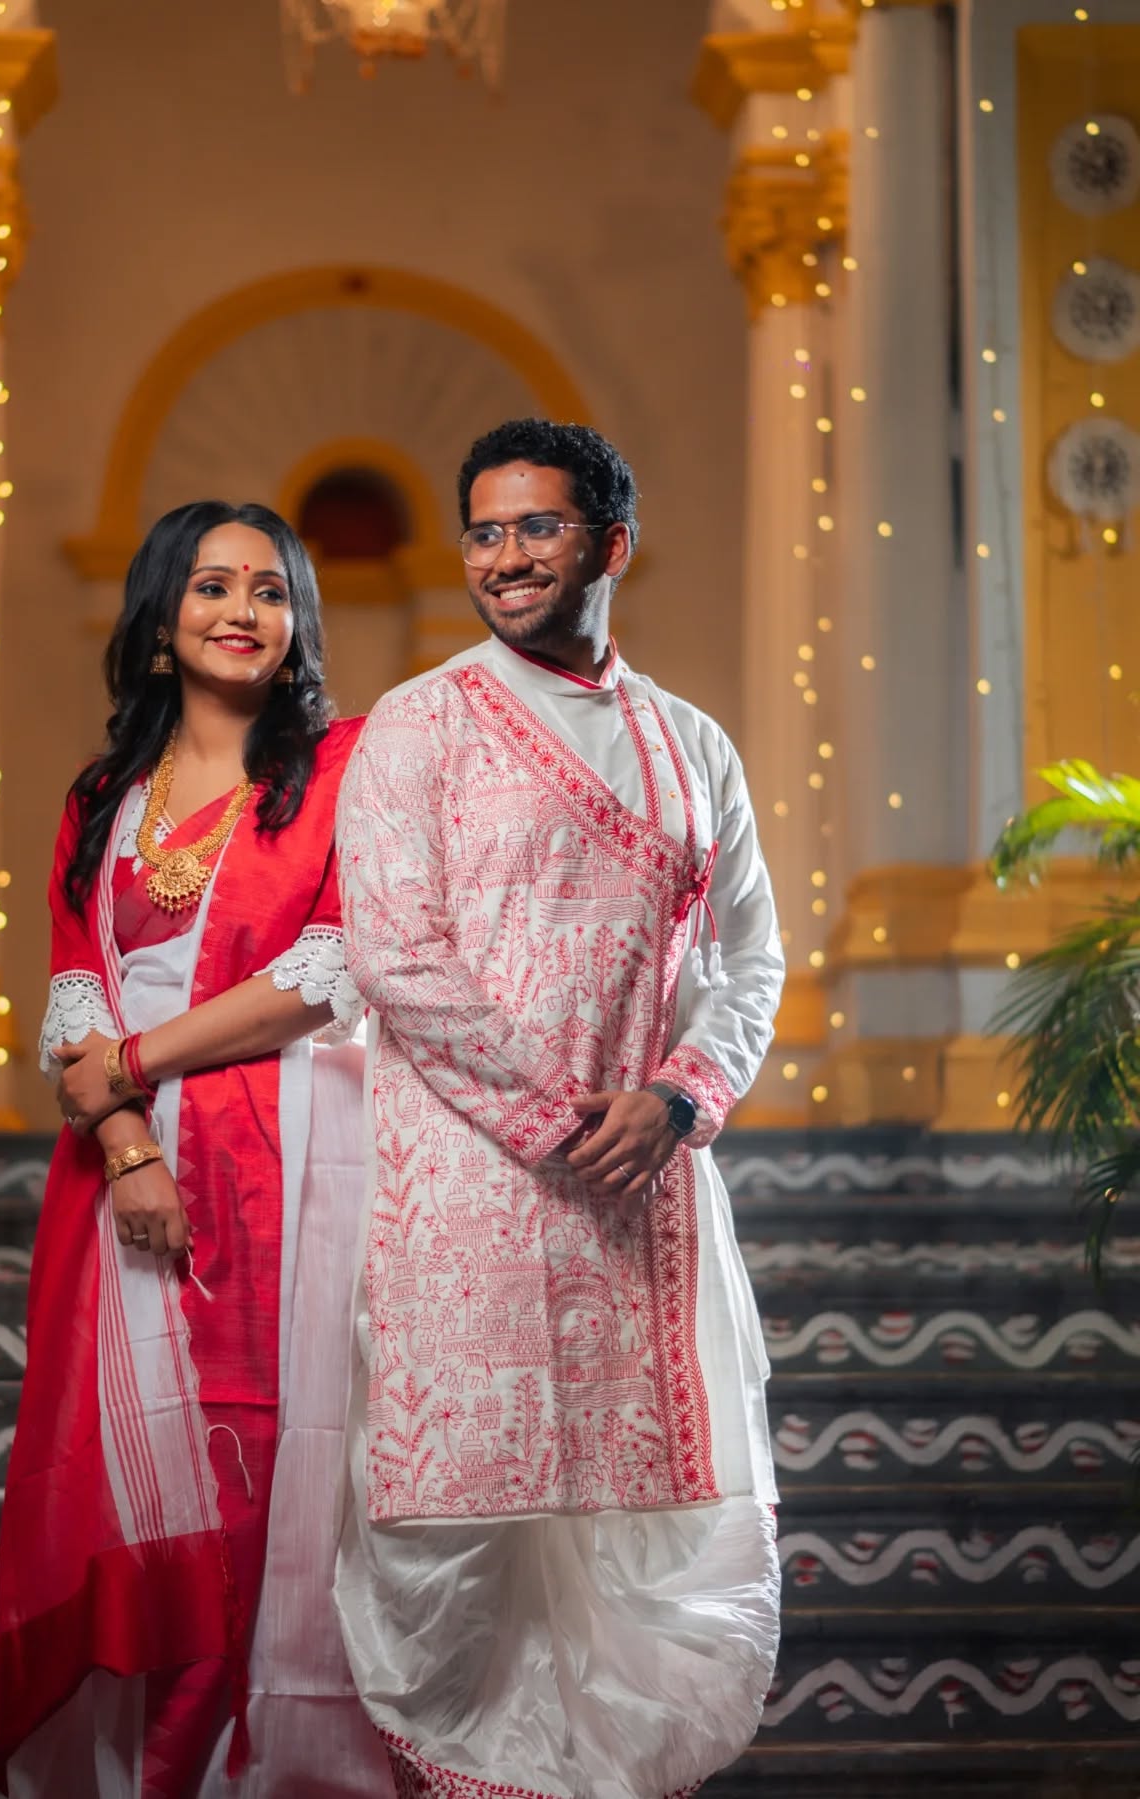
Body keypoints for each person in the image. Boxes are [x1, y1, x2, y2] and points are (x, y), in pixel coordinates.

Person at [333, 420, 784, 1799]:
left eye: (537, 527)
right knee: (456, 1530)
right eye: (485, 531)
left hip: (646, 1196)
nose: (507, 556)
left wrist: (675, 1100)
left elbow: (748, 958)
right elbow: (396, 953)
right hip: (466, 1185)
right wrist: (557, 1119)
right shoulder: (417, 724)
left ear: (612, 544)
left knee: (648, 1537)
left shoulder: (692, 744)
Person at [0, 501, 395, 1798]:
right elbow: (72, 994)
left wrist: (142, 1069)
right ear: (162, 621)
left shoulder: (342, 767)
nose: (242, 609)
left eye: (270, 590)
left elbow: (327, 970)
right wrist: (123, 1142)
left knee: (261, 1490)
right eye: (212, 584)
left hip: (286, 1168)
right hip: (116, 1188)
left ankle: (265, 1771)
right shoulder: (102, 796)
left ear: (298, 623)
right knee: (128, 1504)